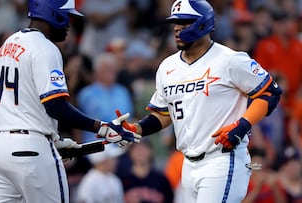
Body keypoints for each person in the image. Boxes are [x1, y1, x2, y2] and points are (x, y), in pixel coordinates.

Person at [115, 0, 282, 202]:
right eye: (175, 23)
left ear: (203, 24)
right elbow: (164, 113)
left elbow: (270, 92)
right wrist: (138, 128)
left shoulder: (230, 59)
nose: (177, 28)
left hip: (222, 159)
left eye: (184, 22)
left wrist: (242, 124)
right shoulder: (168, 67)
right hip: (188, 163)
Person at [0, 1, 141, 203]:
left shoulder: (9, 43)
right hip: (29, 149)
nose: (69, 24)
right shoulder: (46, 47)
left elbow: (24, 103)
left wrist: (52, 139)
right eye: (67, 16)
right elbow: (55, 105)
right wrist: (101, 127)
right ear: (53, 13)